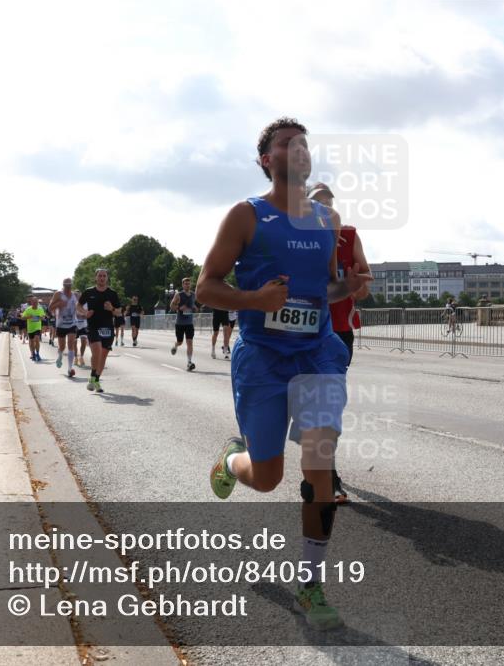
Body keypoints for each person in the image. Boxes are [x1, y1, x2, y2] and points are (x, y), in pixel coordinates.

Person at [196, 117, 372, 630]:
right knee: (269, 476)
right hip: (263, 357)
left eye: (304, 144)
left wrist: (351, 287)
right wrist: (254, 299)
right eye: (285, 144)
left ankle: (311, 584)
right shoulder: (245, 216)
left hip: (316, 353)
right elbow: (206, 287)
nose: (298, 150)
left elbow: (326, 291)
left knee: (320, 460)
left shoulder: (324, 221)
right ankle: (233, 462)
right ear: (266, 160)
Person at [309, 182, 371, 505]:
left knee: (329, 404)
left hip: (339, 334)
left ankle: (326, 473)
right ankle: (324, 473)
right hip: (306, 333)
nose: (326, 211)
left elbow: (364, 289)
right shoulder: (298, 241)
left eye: (329, 204)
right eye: (318, 205)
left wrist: (355, 286)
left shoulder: (349, 237)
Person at [79, 268, 121, 393]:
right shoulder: (88, 292)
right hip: (93, 326)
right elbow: (78, 305)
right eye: (100, 276)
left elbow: (119, 312)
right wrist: (85, 312)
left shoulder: (112, 294)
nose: (102, 278)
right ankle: (94, 377)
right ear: (95, 277)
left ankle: (95, 380)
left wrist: (112, 309)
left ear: (107, 278)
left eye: (104, 276)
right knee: (96, 353)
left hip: (108, 327)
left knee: (102, 357)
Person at [49, 278, 80, 378]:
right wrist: (58, 304)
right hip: (61, 324)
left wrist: (84, 313)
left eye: (69, 286)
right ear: (63, 285)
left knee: (71, 343)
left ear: (72, 285)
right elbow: (50, 308)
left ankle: (70, 369)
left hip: (72, 323)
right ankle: (60, 356)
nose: (68, 288)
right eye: (66, 286)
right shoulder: (58, 294)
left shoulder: (75, 295)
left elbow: (80, 307)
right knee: (62, 347)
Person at [170, 277, 197, 371]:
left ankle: (189, 362)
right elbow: (171, 306)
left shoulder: (193, 294)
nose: (187, 285)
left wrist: (195, 308)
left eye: (188, 283)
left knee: (190, 342)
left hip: (189, 323)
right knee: (180, 342)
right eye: (185, 283)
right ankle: (176, 345)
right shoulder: (179, 295)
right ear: (182, 285)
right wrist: (179, 308)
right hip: (180, 323)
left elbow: (193, 305)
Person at [20, 296, 46, 362]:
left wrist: (41, 317)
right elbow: (22, 317)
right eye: (34, 302)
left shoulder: (40, 309)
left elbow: (43, 316)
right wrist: (28, 317)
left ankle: (37, 353)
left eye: (36, 302)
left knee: (37, 339)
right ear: (31, 302)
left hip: (37, 327)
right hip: (30, 328)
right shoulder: (28, 309)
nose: (35, 303)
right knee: (31, 342)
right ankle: (32, 353)